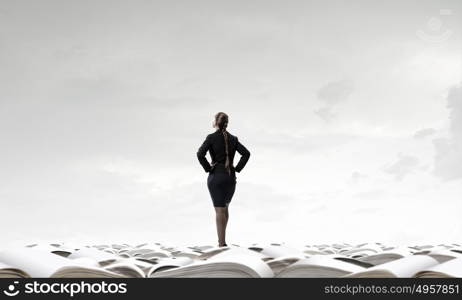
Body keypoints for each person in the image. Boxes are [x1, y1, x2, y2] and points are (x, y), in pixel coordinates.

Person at [196, 112, 250, 247]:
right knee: (225, 208)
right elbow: (246, 154)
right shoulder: (234, 138)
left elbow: (200, 154)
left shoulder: (211, 137)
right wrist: (237, 168)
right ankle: (223, 241)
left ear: (215, 122)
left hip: (217, 176)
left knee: (219, 210)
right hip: (230, 177)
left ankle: (221, 244)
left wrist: (208, 168)